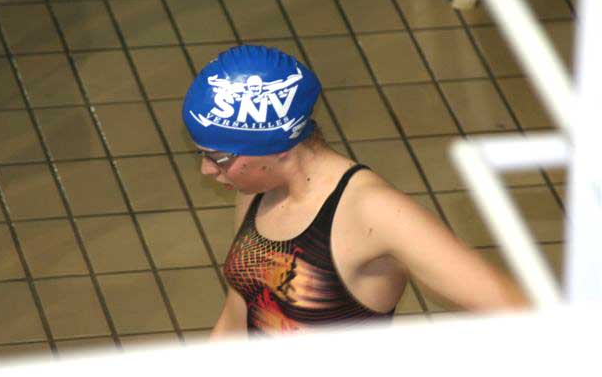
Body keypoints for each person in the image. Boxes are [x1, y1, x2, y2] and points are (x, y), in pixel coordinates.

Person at [181, 45, 529, 338]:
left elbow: (521, 312)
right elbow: (239, 311)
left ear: (277, 147)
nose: (207, 170)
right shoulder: (255, 190)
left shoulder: (376, 213)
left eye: (219, 158)